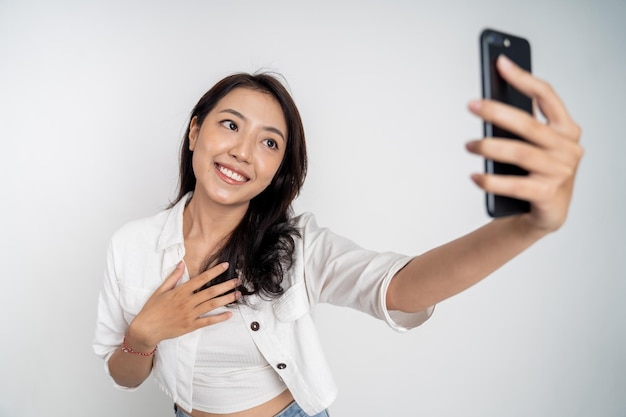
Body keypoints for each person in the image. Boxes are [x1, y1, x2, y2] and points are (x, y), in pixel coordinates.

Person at [93, 55, 582, 417]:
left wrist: (524, 227)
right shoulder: (130, 246)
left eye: (268, 142)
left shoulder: (298, 247)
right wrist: (144, 333)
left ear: (278, 168)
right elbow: (124, 376)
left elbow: (398, 286)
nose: (243, 151)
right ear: (195, 132)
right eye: (229, 125)